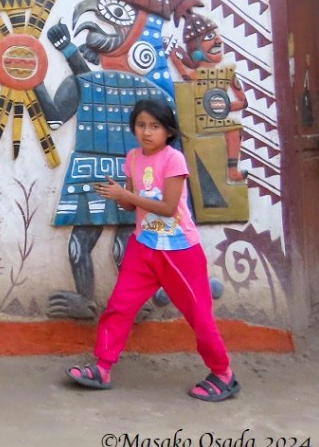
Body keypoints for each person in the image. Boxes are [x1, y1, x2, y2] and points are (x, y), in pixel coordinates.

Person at [65, 98, 240, 403]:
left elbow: (169, 207)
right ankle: (102, 368)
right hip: (143, 246)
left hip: (179, 251)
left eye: (154, 126)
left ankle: (223, 374)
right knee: (119, 306)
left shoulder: (174, 159)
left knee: (199, 315)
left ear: (168, 131)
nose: (146, 132)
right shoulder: (133, 157)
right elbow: (131, 205)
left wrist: (126, 194)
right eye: (141, 125)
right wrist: (118, 196)